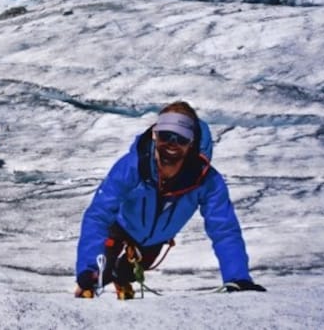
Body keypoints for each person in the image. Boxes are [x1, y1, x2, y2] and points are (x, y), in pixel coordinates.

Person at [75, 101, 265, 299]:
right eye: (166, 135)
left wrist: (238, 278)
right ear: (155, 135)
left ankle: (121, 278)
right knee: (99, 275)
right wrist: (88, 270)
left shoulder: (207, 181)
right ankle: (100, 279)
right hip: (120, 226)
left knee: (127, 273)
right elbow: (99, 215)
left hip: (153, 242)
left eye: (181, 138)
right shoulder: (132, 167)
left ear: (191, 142)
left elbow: (223, 229)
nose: (172, 143)